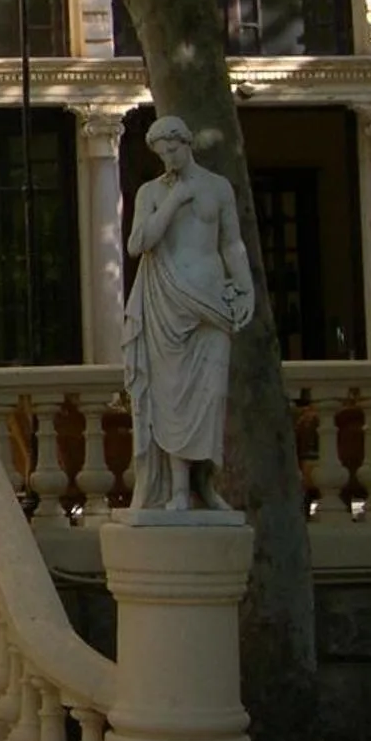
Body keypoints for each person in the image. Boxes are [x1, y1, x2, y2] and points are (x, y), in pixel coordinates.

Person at [123, 115, 255, 512]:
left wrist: (245, 286)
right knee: (173, 397)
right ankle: (179, 489)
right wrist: (174, 202)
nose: (167, 159)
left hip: (212, 300)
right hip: (167, 301)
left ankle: (207, 484)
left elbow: (231, 244)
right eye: (161, 154)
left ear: (186, 143)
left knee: (211, 395)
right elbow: (137, 243)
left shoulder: (218, 188)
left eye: (172, 150)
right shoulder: (151, 192)